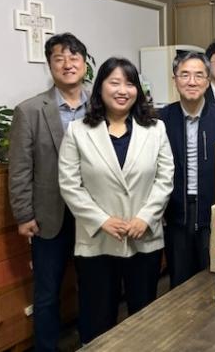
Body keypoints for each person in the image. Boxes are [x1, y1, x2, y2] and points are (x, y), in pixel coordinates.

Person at [58, 57, 174, 343]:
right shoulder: (78, 131)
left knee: (144, 317)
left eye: (130, 83)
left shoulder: (155, 129)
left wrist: (145, 217)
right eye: (115, 83)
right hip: (98, 239)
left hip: (143, 236)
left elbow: (165, 178)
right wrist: (102, 220)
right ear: (100, 88)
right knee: (97, 318)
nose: (123, 90)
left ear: (138, 90)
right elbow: (70, 185)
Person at [8, 32, 90, 352]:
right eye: (59, 58)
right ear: (50, 65)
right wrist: (23, 215)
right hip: (48, 216)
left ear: (84, 63)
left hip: (92, 213)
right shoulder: (29, 110)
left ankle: (93, 342)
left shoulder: (101, 105)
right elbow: (19, 168)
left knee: (93, 286)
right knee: (46, 293)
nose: (67, 64)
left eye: (74, 57)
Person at [159, 52, 215, 288]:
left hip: (213, 211)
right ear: (175, 80)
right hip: (176, 213)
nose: (192, 82)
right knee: (179, 281)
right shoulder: (161, 120)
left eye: (198, 75)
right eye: (184, 75)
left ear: (207, 81)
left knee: (213, 279)